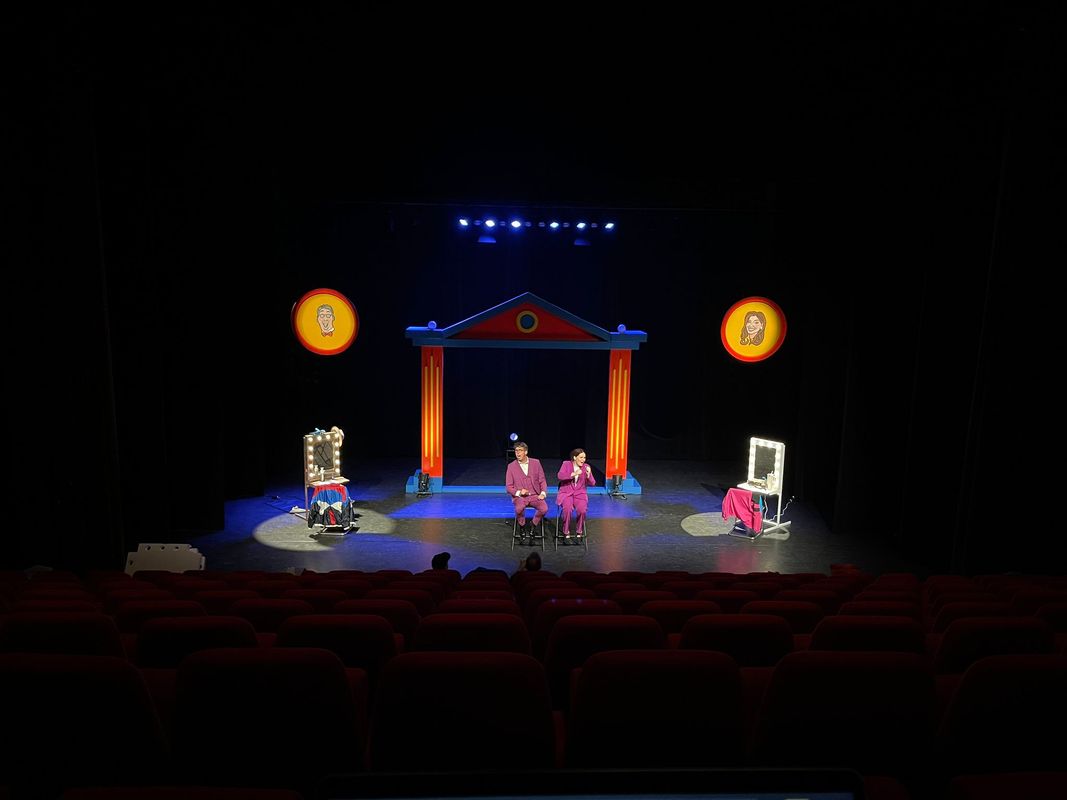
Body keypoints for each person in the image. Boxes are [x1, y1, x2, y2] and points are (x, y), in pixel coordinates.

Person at [505, 441, 548, 543]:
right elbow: (508, 487)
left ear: (526, 452)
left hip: (535, 495)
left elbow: (542, 480)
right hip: (520, 497)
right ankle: (522, 526)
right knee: (519, 508)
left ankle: (533, 525)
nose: (517, 453)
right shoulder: (511, 466)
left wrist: (543, 493)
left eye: (520, 450)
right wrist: (519, 492)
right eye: (516, 451)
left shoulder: (536, 463)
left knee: (544, 508)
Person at [556, 447, 595, 543]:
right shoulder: (566, 464)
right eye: (581, 457)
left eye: (584, 458)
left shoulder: (586, 467)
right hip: (566, 493)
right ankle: (566, 532)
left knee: (582, 510)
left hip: (580, 494)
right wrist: (573, 474)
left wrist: (588, 475)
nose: (583, 460)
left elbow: (593, 483)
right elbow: (560, 476)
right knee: (567, 509)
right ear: (574, 457)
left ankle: (579, 532)